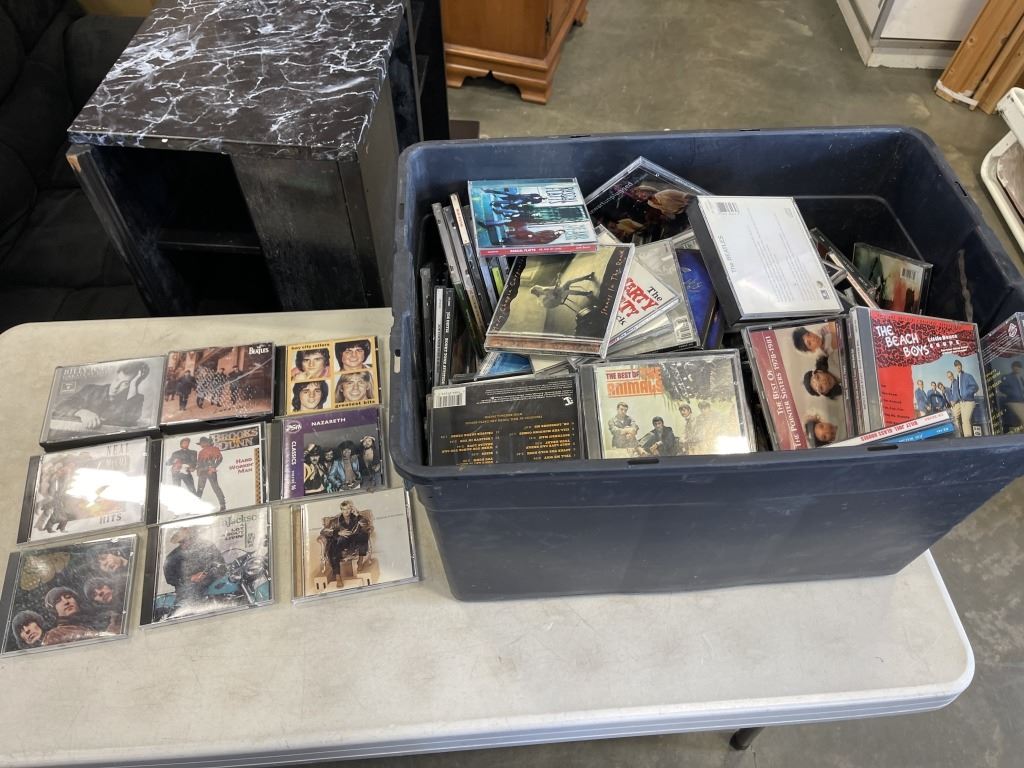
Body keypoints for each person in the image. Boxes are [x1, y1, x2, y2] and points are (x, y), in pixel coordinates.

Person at [50, 360, 150, 429]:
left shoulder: (134, 400)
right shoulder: (91, 390)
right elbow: (58, 407)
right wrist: (82, 412)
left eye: (125, 383)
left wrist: (133, 387)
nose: (115, 386)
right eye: (117, 379)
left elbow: (129, 421)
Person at [162, 526, 227, 608]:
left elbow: (222, 566)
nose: (186, 544)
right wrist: (191, 579)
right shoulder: (172, 557)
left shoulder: (208, 546)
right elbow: (170, 579)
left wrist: (208, 574)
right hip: (189, 594)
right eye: (182, 541)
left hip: (215, 587)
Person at [317, 500, 374, 585]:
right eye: (344, 509)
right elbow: (323, 531)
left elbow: (366, 526)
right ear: (341, 510)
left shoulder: (357, 518)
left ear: (351, 509)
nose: (346, 511)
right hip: (342, 542)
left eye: (348, 509)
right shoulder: (335, 521)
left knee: (364, 534)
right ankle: (338, 576)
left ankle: (360, 561)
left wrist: (358, 516)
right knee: (333, 546)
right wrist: (338, 532)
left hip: (354, 542)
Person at [530, 271, 597, 312]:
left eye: (538, 288)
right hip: (558, 300)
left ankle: (587, 277)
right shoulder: (541, 299)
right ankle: (587, 294)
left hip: (558, 293)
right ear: (536, 292)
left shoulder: (543, 289)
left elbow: (555, 288)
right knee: (567, 292)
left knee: (568, 282)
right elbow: (554, 298)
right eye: (538, 289)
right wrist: (557, 291)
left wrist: (558, 280)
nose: (539, 289)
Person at [948, 360, 980, 437]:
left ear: (961, 366)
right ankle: (961, 437)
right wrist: (954, 400)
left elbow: (975, 387)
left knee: (965, 420)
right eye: (956, 366)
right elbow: (957, 392)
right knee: (960, 420)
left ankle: (968, 439)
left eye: (959, 365)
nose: (958, 367)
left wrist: (966, 394)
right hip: (962, 403)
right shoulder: (958, 378)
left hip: (969, 401)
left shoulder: (968, 376)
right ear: (955, 368)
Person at [195, 436, 227, 510]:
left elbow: (220, 458)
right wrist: (199, 471)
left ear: (207, 442)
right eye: (201, 443)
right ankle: (195, 506)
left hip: (210, 471)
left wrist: (213, 467)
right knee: (200, 489)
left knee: (216, 488)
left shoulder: (214, 449)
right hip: (202, 471)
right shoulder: (200, 452)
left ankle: (222, 505)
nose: (201, 445)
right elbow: (199, 463)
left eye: (203, 443)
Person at [997, 360, 1024, 427]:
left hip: (1021, 401)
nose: (1017, 368)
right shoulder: (1007, 377)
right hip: (1013, 401)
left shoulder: (1021, 378)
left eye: (1019, 367)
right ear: (1012, 368)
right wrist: (1012, 393)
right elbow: (1001, 387)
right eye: (1015, 367)